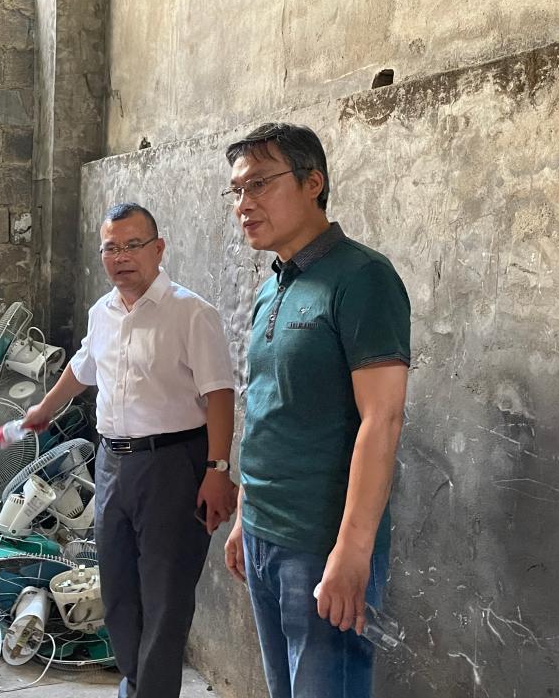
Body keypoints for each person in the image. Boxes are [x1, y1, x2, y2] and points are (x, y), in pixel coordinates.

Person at [221, 123, 410, 698]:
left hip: (321, 541)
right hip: (263, 534)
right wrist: (244, 516)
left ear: (313, 183)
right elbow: (267, 407)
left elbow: (383, 419)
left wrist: (353, 551)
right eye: (236, 190)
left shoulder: (363, 277)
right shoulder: (271, 287)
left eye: (259, 184)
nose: (244, 204)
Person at [22, 202, 236, 698]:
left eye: (133, 245)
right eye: (111, 248)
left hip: (173, 464)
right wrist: (45, 409)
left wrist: (217, 469)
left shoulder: (191, 313)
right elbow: (83, 366)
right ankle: (135, 684)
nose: (121, 257)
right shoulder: (103, 312)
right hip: (112, 463)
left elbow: (220, 394)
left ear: (158, 249)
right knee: (118, 588)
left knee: (165, 594)